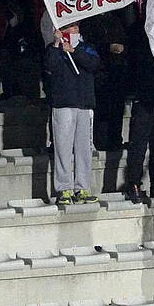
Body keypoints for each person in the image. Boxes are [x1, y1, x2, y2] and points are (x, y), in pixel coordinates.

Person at [45, 23, 100, 204]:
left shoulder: (87, 48)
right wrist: (56, 44)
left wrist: (74, 52)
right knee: (63, 148)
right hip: (63, 104)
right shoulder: (54, 49)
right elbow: (49, 66)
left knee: (84, 149)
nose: (70, 31)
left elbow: (93, 64)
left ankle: (82, 187)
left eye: (73, 27)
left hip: (84, 104)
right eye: (67, 28)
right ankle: (64, 189)